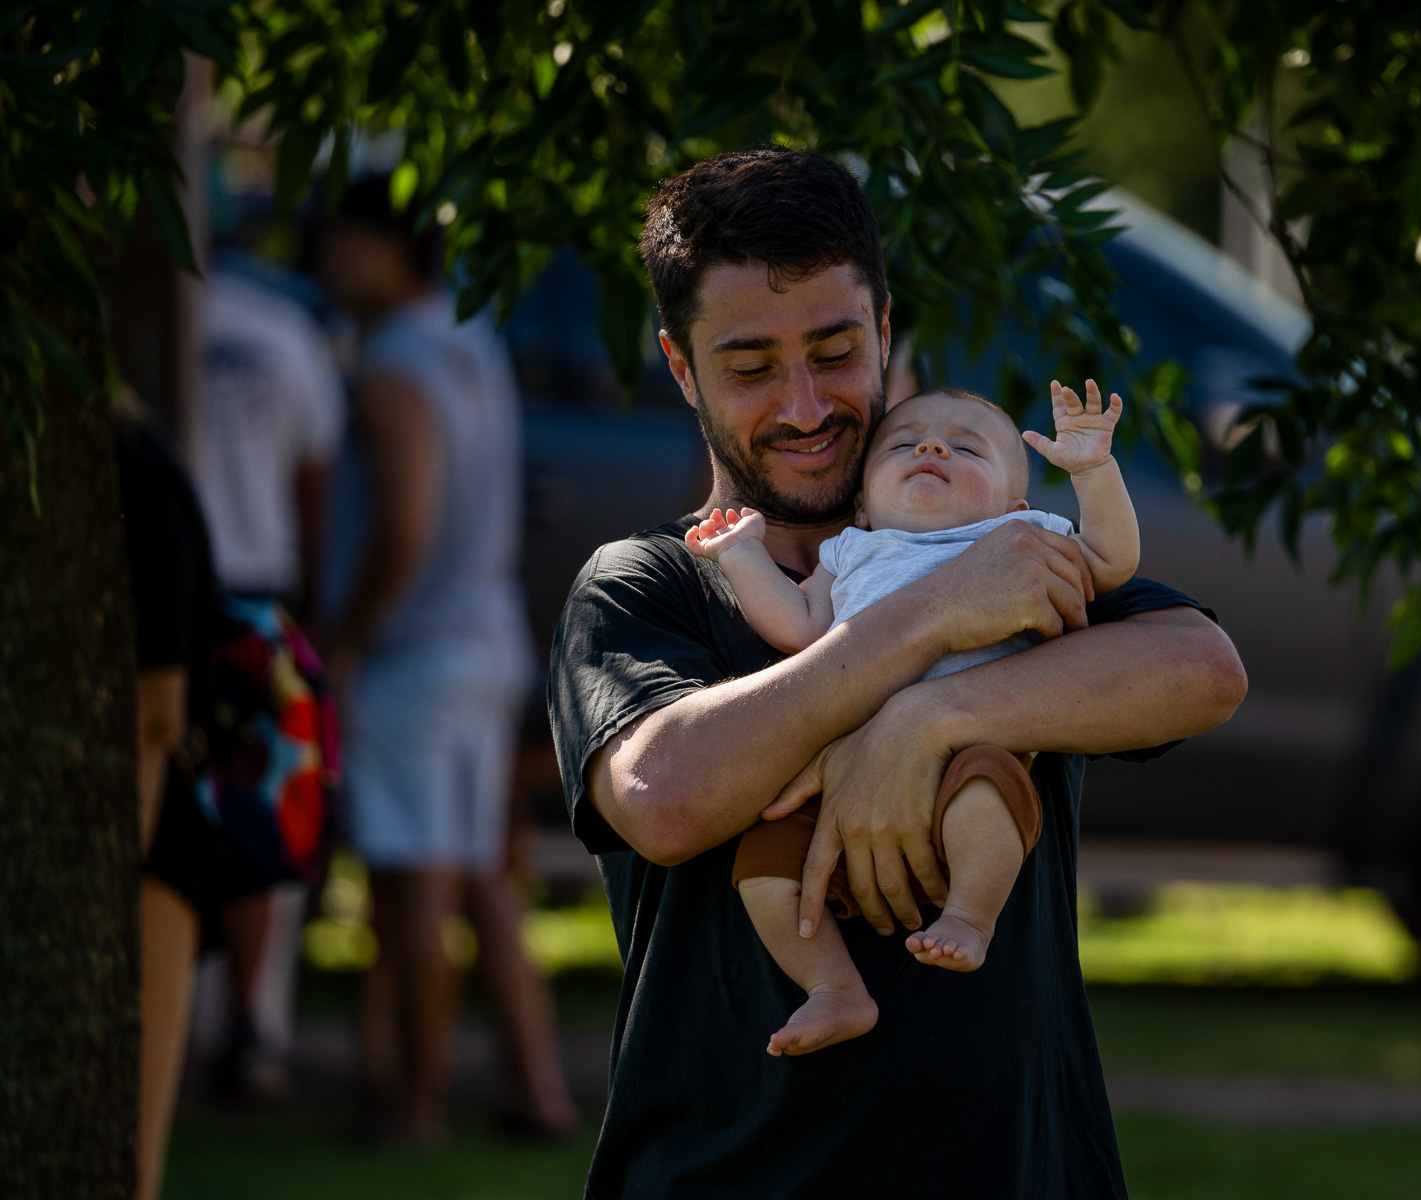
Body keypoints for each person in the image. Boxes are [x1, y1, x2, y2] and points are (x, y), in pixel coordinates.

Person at [547, 146, 1247, 1198]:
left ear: (884, 332)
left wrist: (925, 722)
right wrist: (927, 620)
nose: (802, 404)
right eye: (748, 367)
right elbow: (665, 793)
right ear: (681, 368)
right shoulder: (651, 584)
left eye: (834, 350)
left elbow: (1198, 668)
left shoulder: (996, 535)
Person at [687, 380, 1138, 1054]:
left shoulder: (1023, 536)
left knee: (989, 791)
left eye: (966, 448)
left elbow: (1110, 562)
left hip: (970, 754)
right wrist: (743, 554)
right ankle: (833, 988)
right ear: (863, 504)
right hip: (842, 780)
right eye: (905, 444)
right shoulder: (849, 553)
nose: (931, 447)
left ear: (1014, 502)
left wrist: (1094, 472)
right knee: (764, 861)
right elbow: (797, 625)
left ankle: (969, 919)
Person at [317, 175, 576, 1144]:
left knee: (410, 887)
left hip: (412, 655)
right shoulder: (475, 339)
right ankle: (537, 1088)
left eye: (342, 241)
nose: (327, 264)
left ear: (393, 245)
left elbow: (406, 521)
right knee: (481, 880)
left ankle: (414, 1108)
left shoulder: (391, 362)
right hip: (488, 642)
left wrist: (346, 635)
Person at [186, 249, 346, 1101]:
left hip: (175, 601)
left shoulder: (128, 322)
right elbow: (312, 489)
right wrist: (310, 613)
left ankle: (210, 1023)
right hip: (259, 602)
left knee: (181, 811)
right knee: (260, 819)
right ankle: (247, 1021)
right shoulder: (288, 332)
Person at [117, 394, 219, 1200]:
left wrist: (108, 893)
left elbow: (158, 719)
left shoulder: (131, 464)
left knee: (125, 1162)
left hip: (149, 840)